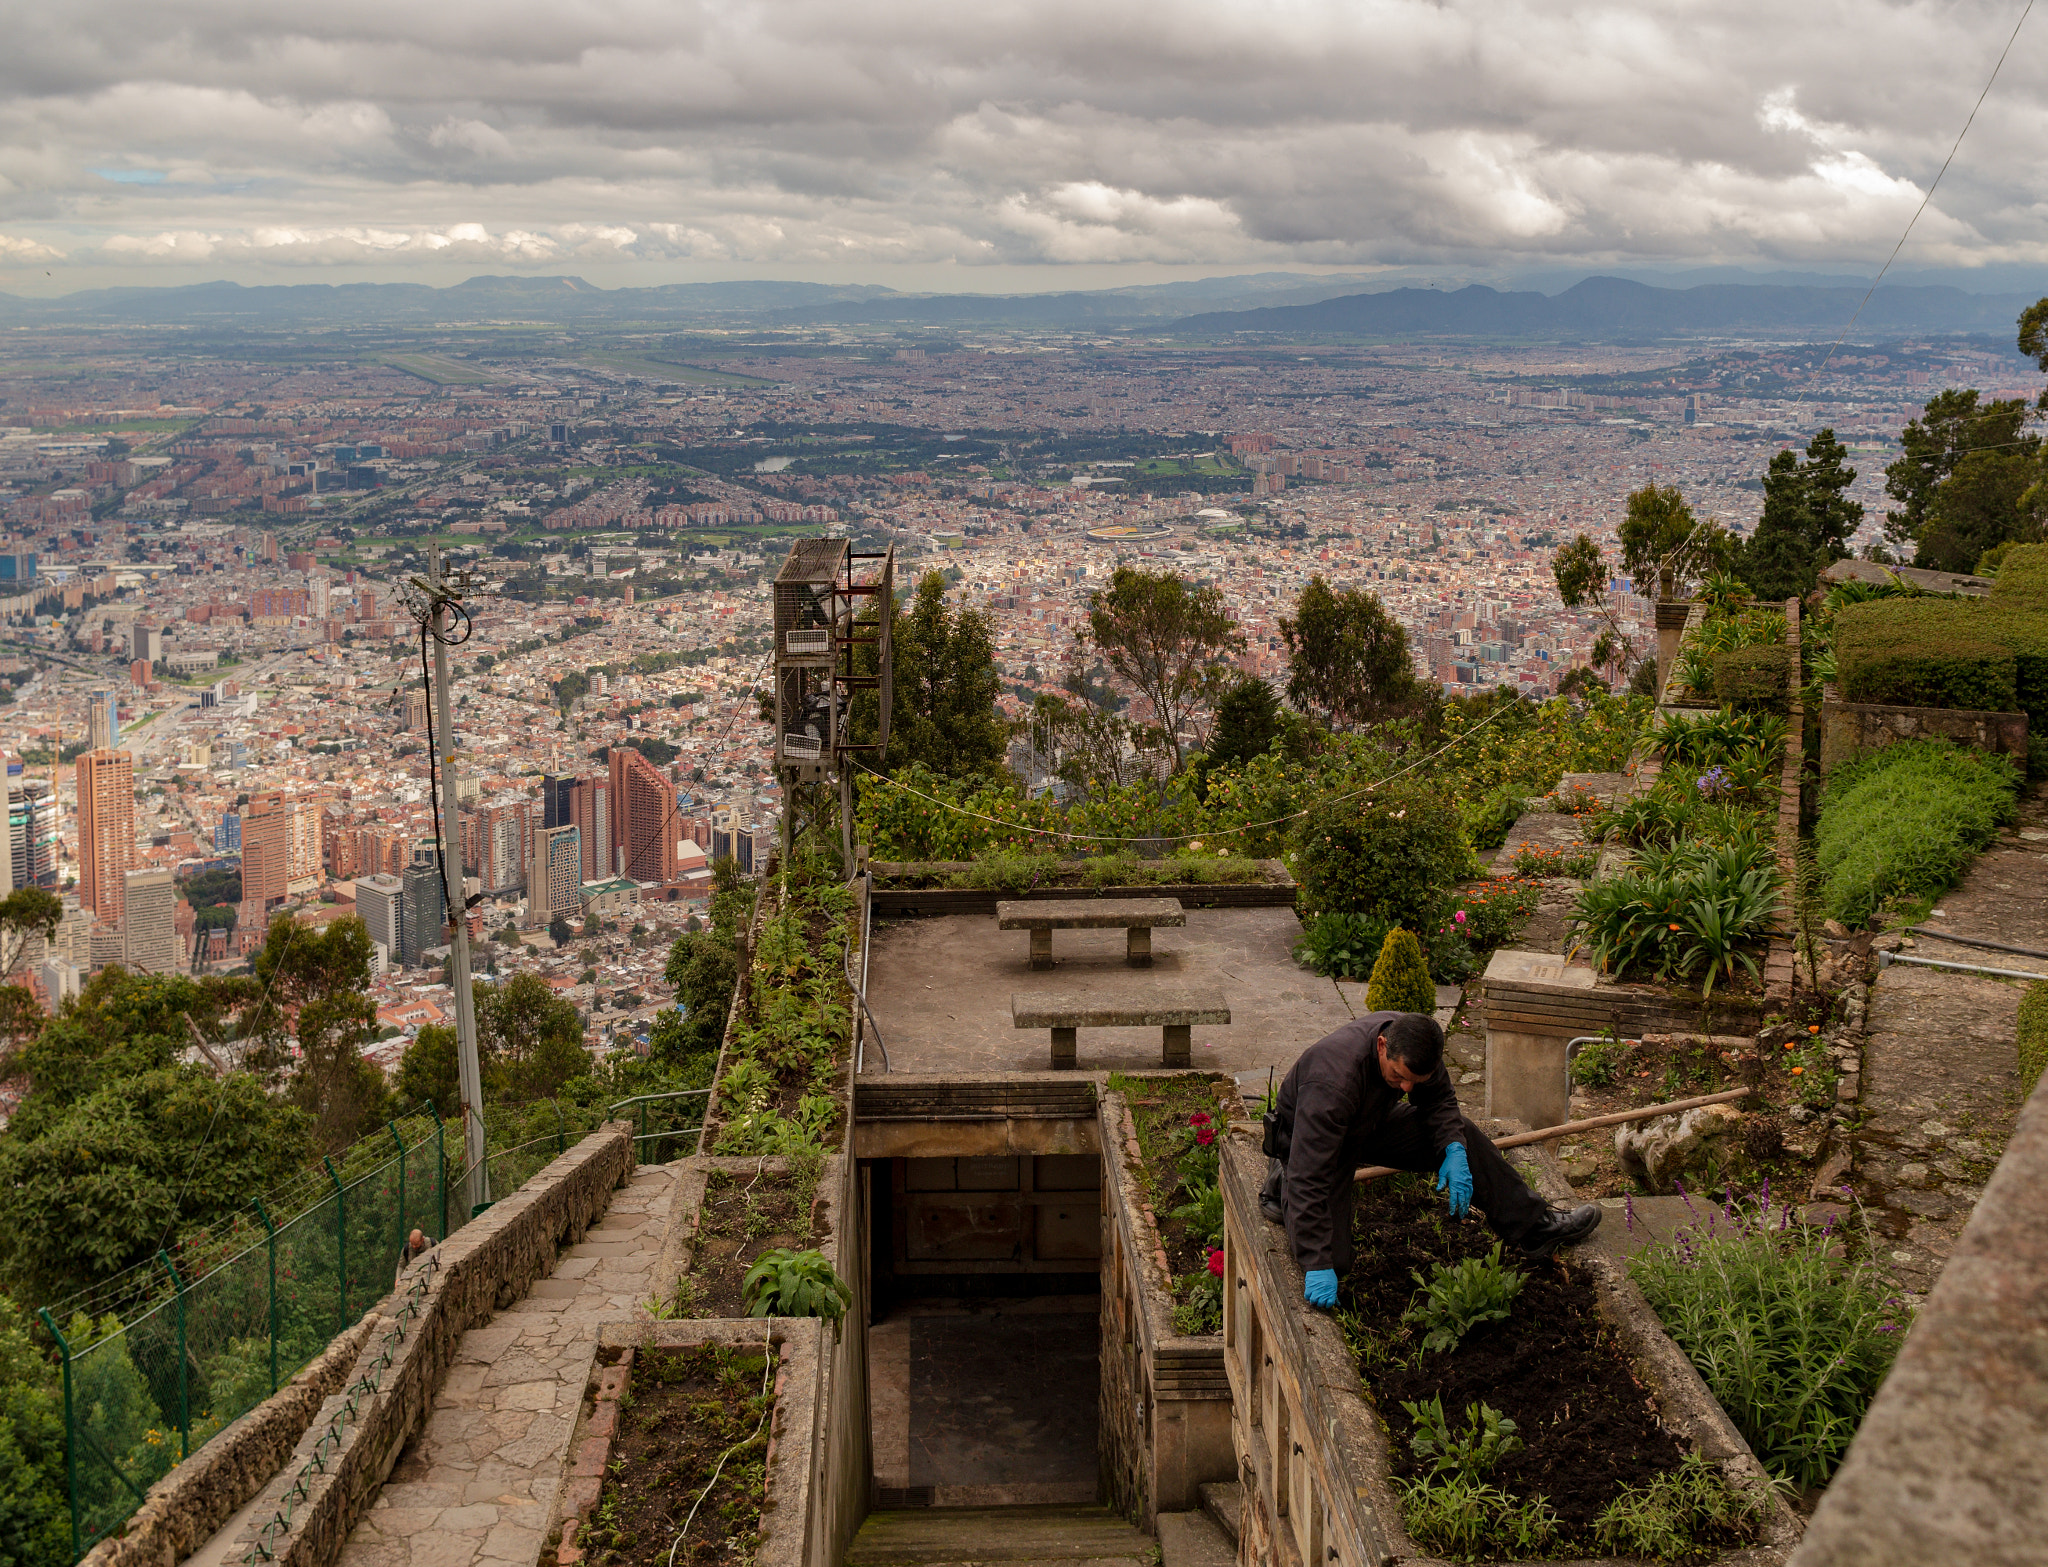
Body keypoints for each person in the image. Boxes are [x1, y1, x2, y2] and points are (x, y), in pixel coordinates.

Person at [1260, 1010, 1600, 1308]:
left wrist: (1453, 1149)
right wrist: (1317, 1262)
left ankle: (1533, 1227)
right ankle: (1280, 1182)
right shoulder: (1331, 1084)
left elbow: (1438, 1102)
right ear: (1381, 1046)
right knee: (1333, 1260)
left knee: (1462, 1135)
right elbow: (1311, 1176)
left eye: (1414, 1080)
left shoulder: (1416, 1043)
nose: (1407, 1089)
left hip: (1368, 1120)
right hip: (1309, 1138)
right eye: (1398, 1077)